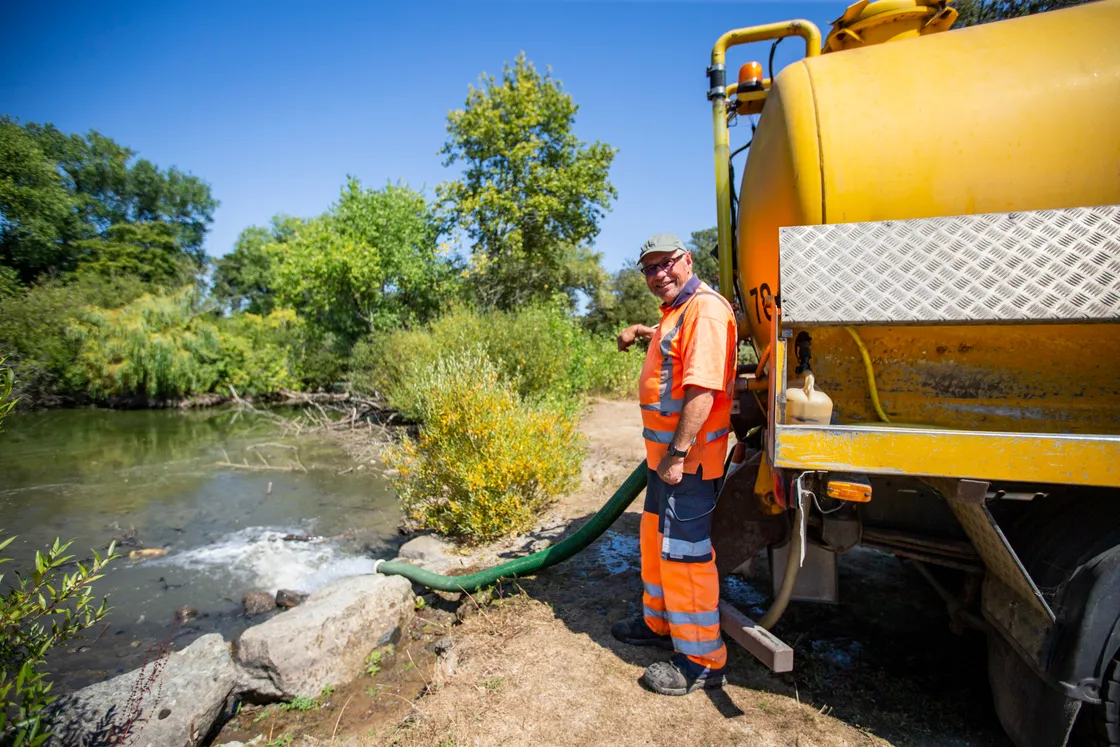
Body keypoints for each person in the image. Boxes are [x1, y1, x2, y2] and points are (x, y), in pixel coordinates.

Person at [612, 232, 736, 696]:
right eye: (649, 268)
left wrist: (679, 454)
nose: (658, 274)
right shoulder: (678, 312)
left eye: (666, 263)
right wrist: (641, 332)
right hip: (663, 463)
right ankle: (659, 623)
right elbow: (674, 347)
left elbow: (702, 390)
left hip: (688, 463)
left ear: (687, 260)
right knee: (654, 540)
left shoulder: (705, 310)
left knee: (685, 557)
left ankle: (703, 660)